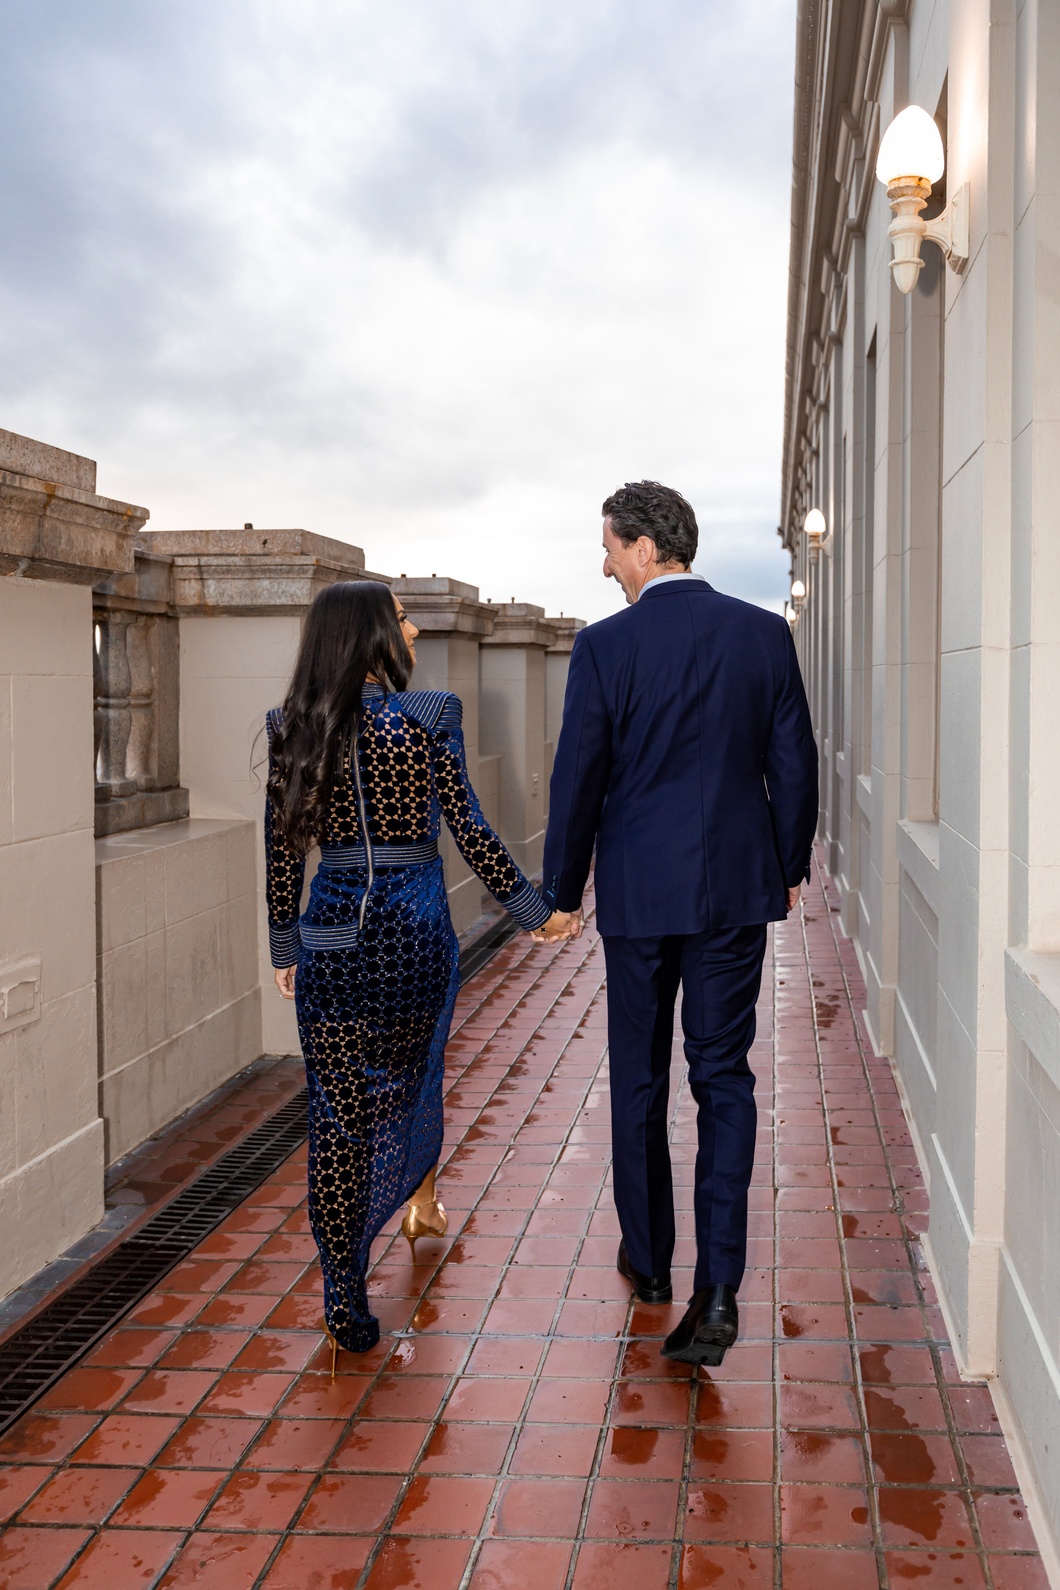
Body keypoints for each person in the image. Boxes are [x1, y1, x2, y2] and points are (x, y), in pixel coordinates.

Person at [535, 481, 818, 1367]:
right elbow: (795, 762)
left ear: (645, 549)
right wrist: (788, 865)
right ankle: (719, 1285)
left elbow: (578, 777)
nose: (605, 565)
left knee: (639, 1078)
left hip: (638, 893)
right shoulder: (763, 635)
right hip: (734, 889)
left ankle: (651, 1262)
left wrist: (560, 891)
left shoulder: (605, 646)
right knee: (724, 1078)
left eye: (610, 548)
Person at [265, 580, 564, 1364]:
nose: (415, 627)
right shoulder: (429, 716)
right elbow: (470, 827)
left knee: (337, 1115)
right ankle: (413, 1203)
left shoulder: (291, 726)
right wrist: (534, 912)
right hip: (413, 936)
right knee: (406, 1086)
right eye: (401, 616)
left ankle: (342, 1288)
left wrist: (285, 948)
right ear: (369, 633)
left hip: (330, 937)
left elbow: (282, 851)